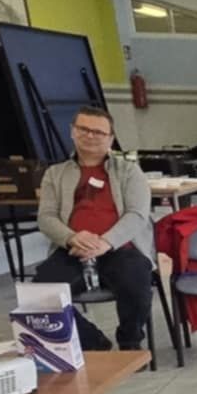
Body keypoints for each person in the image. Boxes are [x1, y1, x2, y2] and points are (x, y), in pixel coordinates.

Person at [33, 107, 155, 351]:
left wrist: (105, 242)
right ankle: (94, 342)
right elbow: (46, 217)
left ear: (110, 138)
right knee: (39, 296)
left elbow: (138, 214)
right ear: (72, 131)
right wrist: (71, 237)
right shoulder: (55, 174)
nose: (90, 136)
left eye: (99, 132)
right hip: (72, 250)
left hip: (120, 248)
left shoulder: (129, 171)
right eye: (84, 129)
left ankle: (130, 341)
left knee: (137, 284)